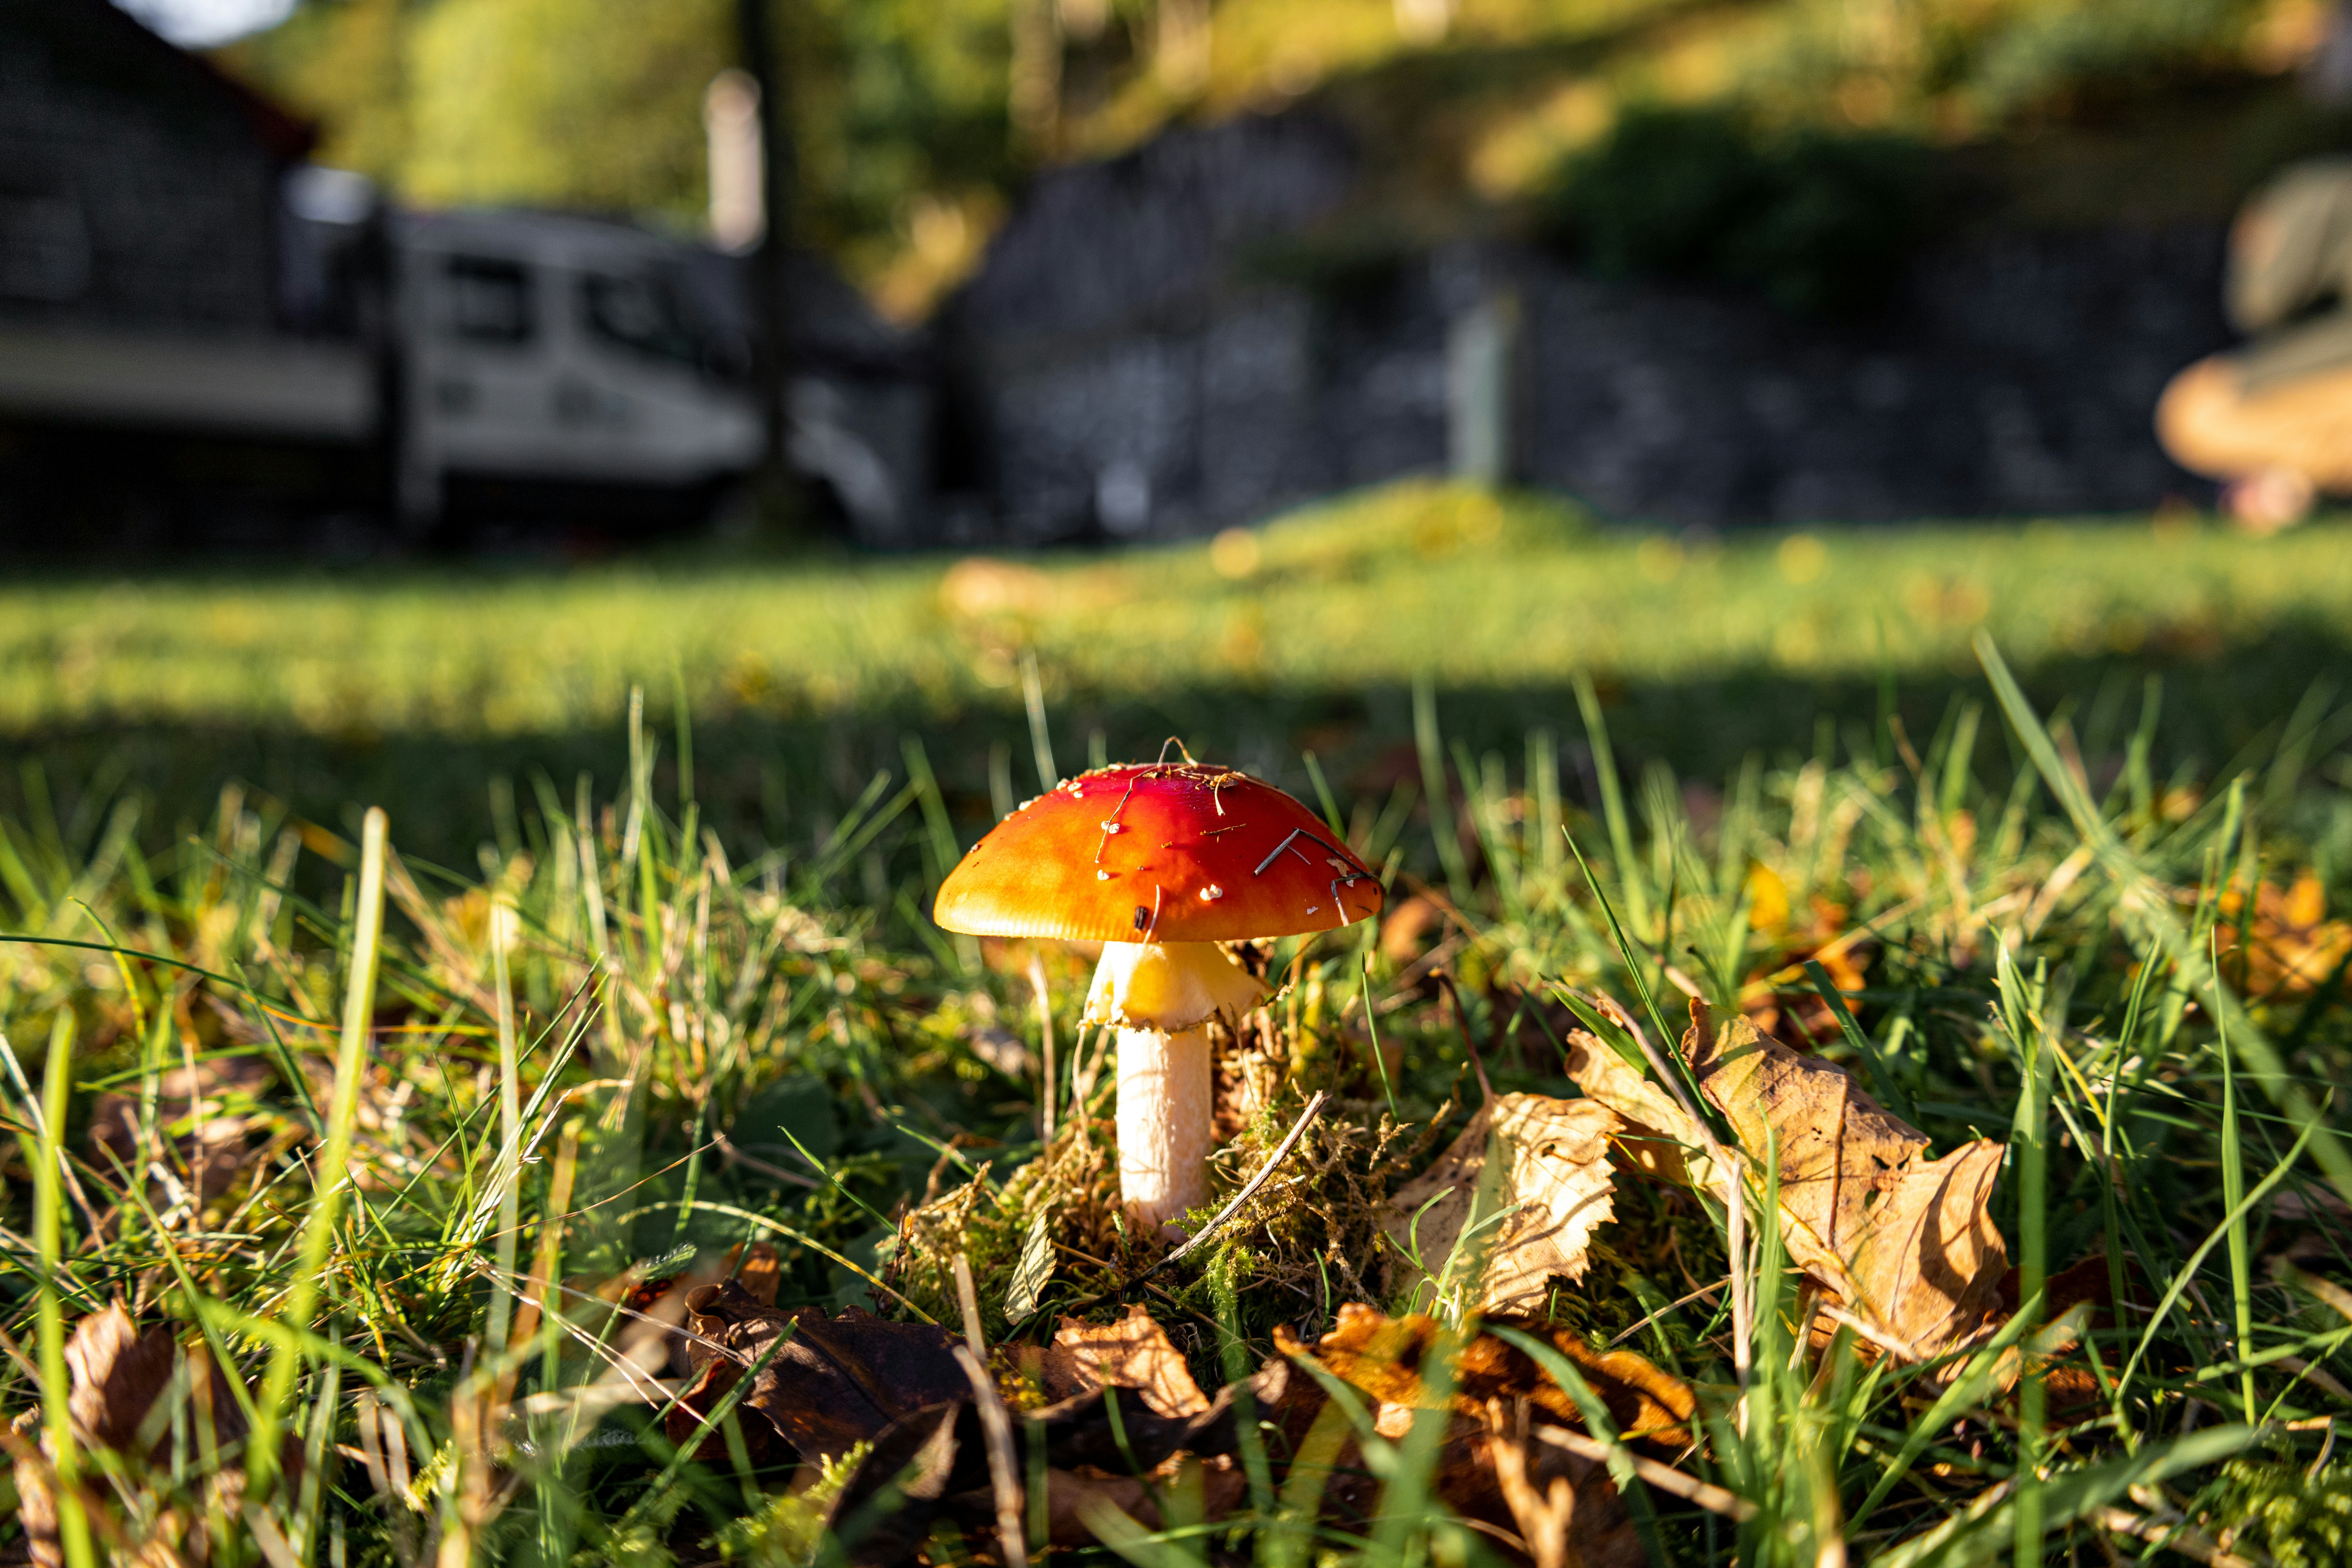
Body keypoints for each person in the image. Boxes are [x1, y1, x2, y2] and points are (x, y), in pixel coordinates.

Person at [2157, 155, 2352, 530]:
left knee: (2193, 407)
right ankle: (2286, 481)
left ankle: (2287, 479)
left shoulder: (2310, 191)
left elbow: (2258, 305)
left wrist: (2256, 244)